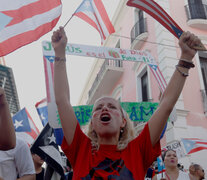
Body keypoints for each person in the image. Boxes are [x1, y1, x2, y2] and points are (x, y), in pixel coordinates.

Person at [52, 27, 200, 179]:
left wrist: (186, 58)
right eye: (98, 108)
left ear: (123, 122)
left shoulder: (138, 149)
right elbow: (62, 101)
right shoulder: (80, 147)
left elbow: (166, 105)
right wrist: (59, 54)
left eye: (112, 106)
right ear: (92, 124)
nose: (104, 109)